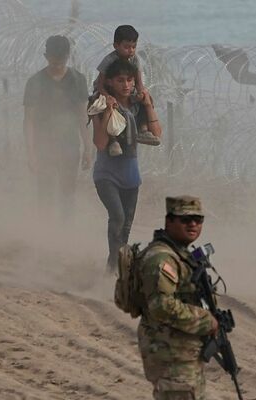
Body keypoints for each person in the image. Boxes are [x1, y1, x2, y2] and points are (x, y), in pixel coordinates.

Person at [136, 196, 219, 400]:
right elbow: (161, 306)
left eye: (198, 219)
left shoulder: (181, 255)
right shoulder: (161, 258)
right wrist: (205, 320)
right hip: (170, 353)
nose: (193, 224)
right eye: (185, 219)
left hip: (181, 351)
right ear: (169, 221)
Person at [91, 58, 161, 271]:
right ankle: (114, 266)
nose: (126, 85)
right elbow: (100, 143)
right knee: (117, 217)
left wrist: (148, 103)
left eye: (130, 80)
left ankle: (115, 266)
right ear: (110, 82)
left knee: (126, 227)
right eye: (120, 80)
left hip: (131, 177)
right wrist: (109, 113)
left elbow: (157, 135)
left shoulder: (138, 106)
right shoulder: (99, 105)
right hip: (106, 175)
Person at [23, 35, 92, 223]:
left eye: (61, 62)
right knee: (44, 191)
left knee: (68, 192)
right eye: (53, 62)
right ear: (46, 56)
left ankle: (65, 231)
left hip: (69, 145)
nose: (57, 67)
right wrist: (30, 153)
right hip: (43, 145)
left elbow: (82, 116)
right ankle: (45, 231)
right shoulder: (35, 82)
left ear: (68, 56)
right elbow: (28, 120)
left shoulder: (78, 80)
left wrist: (88, 148)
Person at [94, 25, 146, 101]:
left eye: (134, 47)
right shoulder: (109, 60)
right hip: (104, 91)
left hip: (124, 89)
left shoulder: (135, 59)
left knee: (146, 99)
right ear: (116, 46)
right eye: (126, 47)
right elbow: (100, 85)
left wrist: (141, 94)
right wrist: (107, 96)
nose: (131, 50)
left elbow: (138, 82)